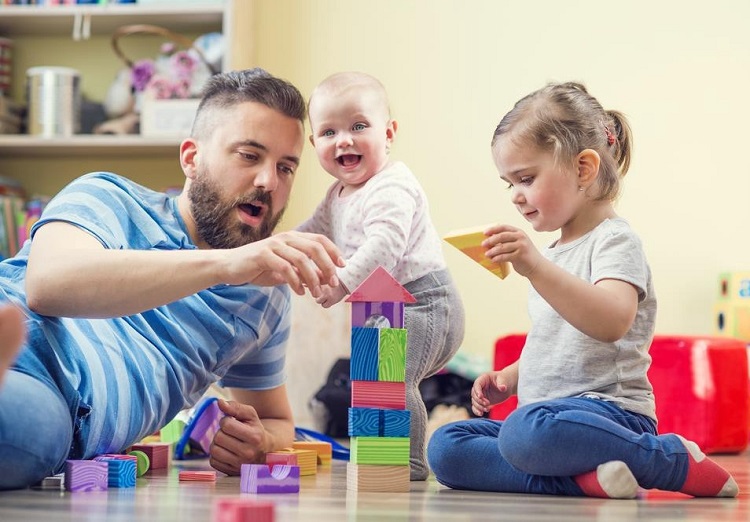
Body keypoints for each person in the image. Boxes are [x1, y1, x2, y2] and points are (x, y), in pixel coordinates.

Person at [0, 68, 346, 491]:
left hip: (57, 406)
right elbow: (47, 285)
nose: (267, 182)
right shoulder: (108, 195)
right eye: (249, 155)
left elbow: (279, 421)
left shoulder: (264, 295)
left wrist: (260, 442)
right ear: (191, 158)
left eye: (286, 167)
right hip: (19, 329)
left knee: (25, 431)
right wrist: (224, 264)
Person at [426, 82, 739, 499]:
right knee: (446, 447)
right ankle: (585, 482)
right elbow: (554, 338)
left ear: (583, 169)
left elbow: (611, 321)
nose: (517, 197)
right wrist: (510, 379)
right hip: (548, 417)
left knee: (523, 434)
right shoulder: (553, 253)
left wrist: (535, 266)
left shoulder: (614, 241)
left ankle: (665, 459)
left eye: (526, 178)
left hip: (611, 417)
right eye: (509, 184)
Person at [297, 71, 465, 481]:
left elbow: (384, 246)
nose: (344, 140)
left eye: (359, 126)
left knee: (393, 378)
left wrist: (340, 282)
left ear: (388, 133)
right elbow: (309, 234)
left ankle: (407, 463)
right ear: (314, 143)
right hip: (381, 303)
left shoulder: (392, 185)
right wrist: (275, 249)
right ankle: (375, 457)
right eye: (329, 132)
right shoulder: (336, 195)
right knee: (369, 380)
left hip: (425, 301)